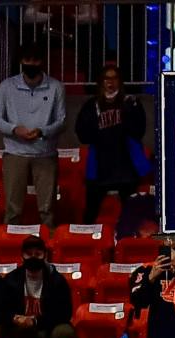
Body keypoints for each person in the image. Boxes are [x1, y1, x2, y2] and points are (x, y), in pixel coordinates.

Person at [0, 44, 67, 228]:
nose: (31, 64)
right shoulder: (7, 87)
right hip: (15, 154)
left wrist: (43, 131)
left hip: (45, 154)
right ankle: (10, 248)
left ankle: (47, 247)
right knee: (13, 209)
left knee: (47, 211)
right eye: (27, 60)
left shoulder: (56, 87)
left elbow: (61, 121)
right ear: (21, 62)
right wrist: (14, 129)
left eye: (35, 60)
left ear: (42, 62)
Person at [75, 65, 149, 223]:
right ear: (100, 82)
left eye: (114, 78)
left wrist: (127, 114)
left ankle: (130, 243)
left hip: (126, 168)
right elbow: (82, 135)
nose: (110, 82)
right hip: (100, 167)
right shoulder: (91, 105)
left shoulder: (132, 103)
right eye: (106, 78)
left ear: (120, 81)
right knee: (90, 213)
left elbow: (139, 131)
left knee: (132, 215)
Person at [0, 236, 77, 338]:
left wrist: (35, 321)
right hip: (15, 327)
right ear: (22, 256)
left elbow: (64, 313)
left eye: (38, 254)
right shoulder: (10, 280)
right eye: (29, 254)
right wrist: (14, 318)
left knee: (64, 332)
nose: (33, 258)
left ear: (45, 256)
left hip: (45, 328)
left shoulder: (57, 281)